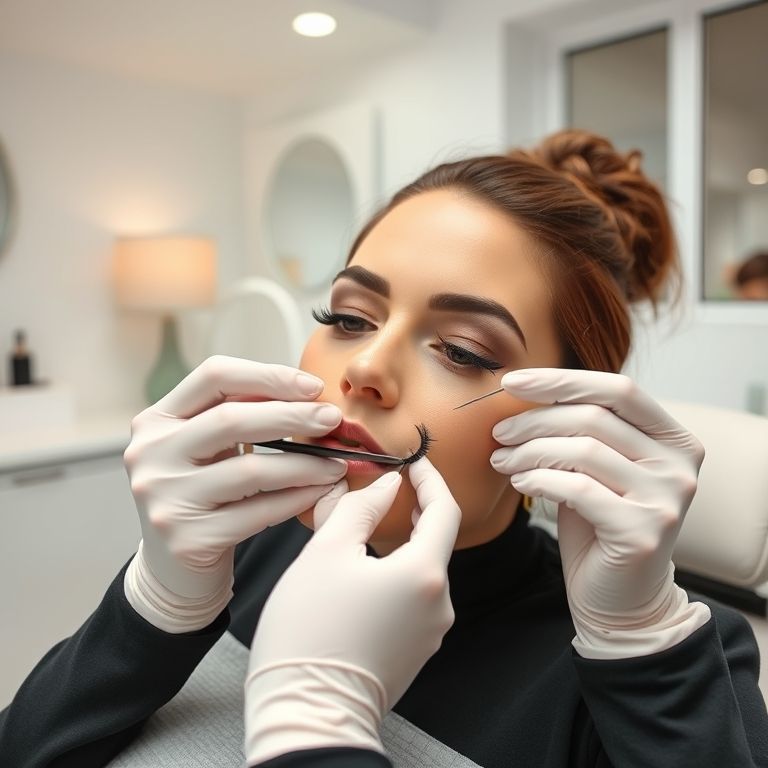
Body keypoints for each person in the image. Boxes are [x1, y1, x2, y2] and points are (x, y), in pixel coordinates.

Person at [1, 130, 767, 767]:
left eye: (462, 350)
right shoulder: (247, 546)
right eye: (348, 318)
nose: (365, 367)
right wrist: (155, 606)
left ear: (568, 414)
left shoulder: (658, 658)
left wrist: (314, 724)